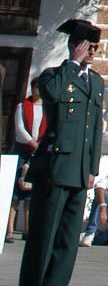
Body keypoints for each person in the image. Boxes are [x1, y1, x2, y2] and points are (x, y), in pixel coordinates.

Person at [14, 19, 105, 286]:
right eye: (89, 47)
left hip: (80, 173)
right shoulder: (57, 76)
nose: (93, 52)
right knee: (41, 244)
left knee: (66, 247)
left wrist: (92, 167)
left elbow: (94, 128)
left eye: (95, 47)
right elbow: (49, 93)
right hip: (54, 169)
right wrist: (71, 63)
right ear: (76, 46)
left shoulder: (96, 82)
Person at [7, 77, 45, 243]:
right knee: (16, 192)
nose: (38, 90)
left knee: (31, 194)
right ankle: (9, 229)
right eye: (36, 87)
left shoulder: (47, 108)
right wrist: (31, 142)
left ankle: (28, 229)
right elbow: (20, 127)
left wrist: (40, 145)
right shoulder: (23, 105)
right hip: (24, 149)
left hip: (39, 150)